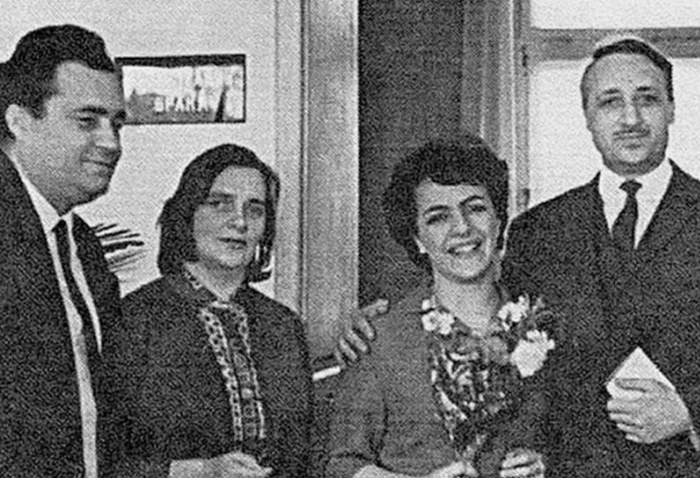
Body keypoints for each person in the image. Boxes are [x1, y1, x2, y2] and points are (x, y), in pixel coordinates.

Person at [338, 36, 700, 477]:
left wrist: (690, 413)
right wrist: (371, 322)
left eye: (647, 99)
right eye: (610, 102)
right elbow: (471, 292)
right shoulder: (539, 230)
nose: (631, 118)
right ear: (587, 116)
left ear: (672, 108)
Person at [325, 139, 547, 478]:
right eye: (438, 217)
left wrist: (544, 464)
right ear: (417, 239)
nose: (462, 227)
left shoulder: (541, 326)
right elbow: (342, 464)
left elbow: (575, 443)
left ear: (499, 220)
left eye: (475, 208)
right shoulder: (378, 338)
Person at [104, 144, 313, 477]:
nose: (240, 221)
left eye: (255, 209)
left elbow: (305, 453)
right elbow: (100, 461)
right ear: (187, 214)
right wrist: (199, 471)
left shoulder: (283, 325)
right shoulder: (135, 320)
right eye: (219, 204)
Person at [0, 24, 126, 476]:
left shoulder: (81, 244)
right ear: (19, 121)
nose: (111, 143)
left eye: (116, 123)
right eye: (87, 121)